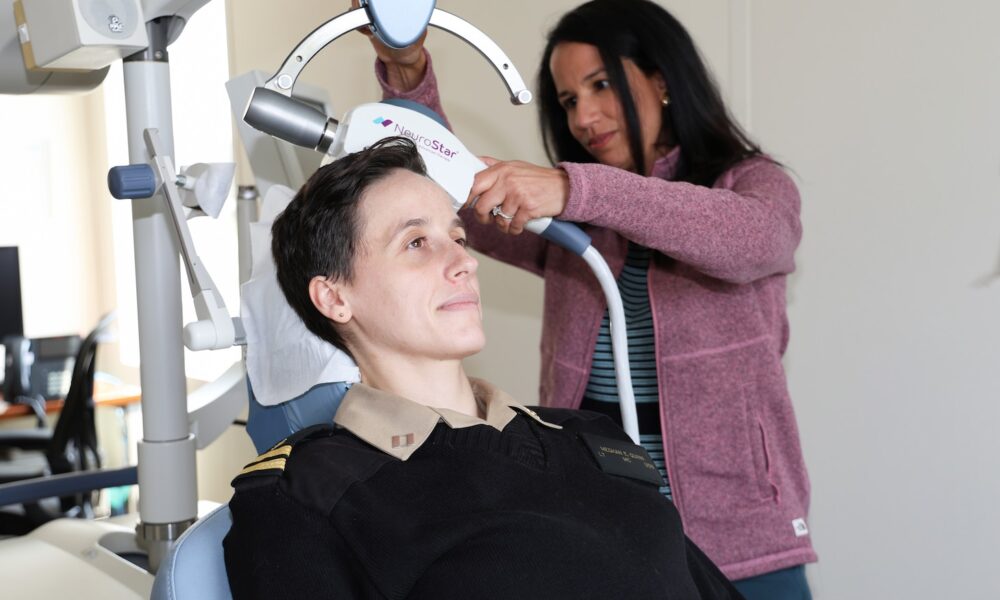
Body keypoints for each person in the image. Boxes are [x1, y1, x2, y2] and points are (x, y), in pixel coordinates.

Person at [358, 1, 816, 598]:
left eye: (601, 85)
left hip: (743, 539)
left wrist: (578, 189)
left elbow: (754, 240)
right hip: (602, 525)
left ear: (661, 79)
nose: (585, 116)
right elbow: (451, 181)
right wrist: (407, 65)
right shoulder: (572, 228)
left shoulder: (751, 184)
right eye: (570, 99)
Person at [222, 137, 743, 599]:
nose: (465, 261)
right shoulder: (305, 493)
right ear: (334, 297)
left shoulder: (584, 435)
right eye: (416, 243)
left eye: (459, 238)